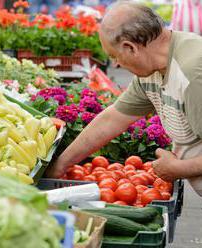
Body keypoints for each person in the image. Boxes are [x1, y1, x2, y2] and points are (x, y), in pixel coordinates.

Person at [47, 1, 202, 196]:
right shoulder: (152, 70)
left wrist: (179, 169)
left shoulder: (193, 73)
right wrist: (60, 165)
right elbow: (112, 119)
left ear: (130, 48)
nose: (116, 65)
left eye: (114, 56)